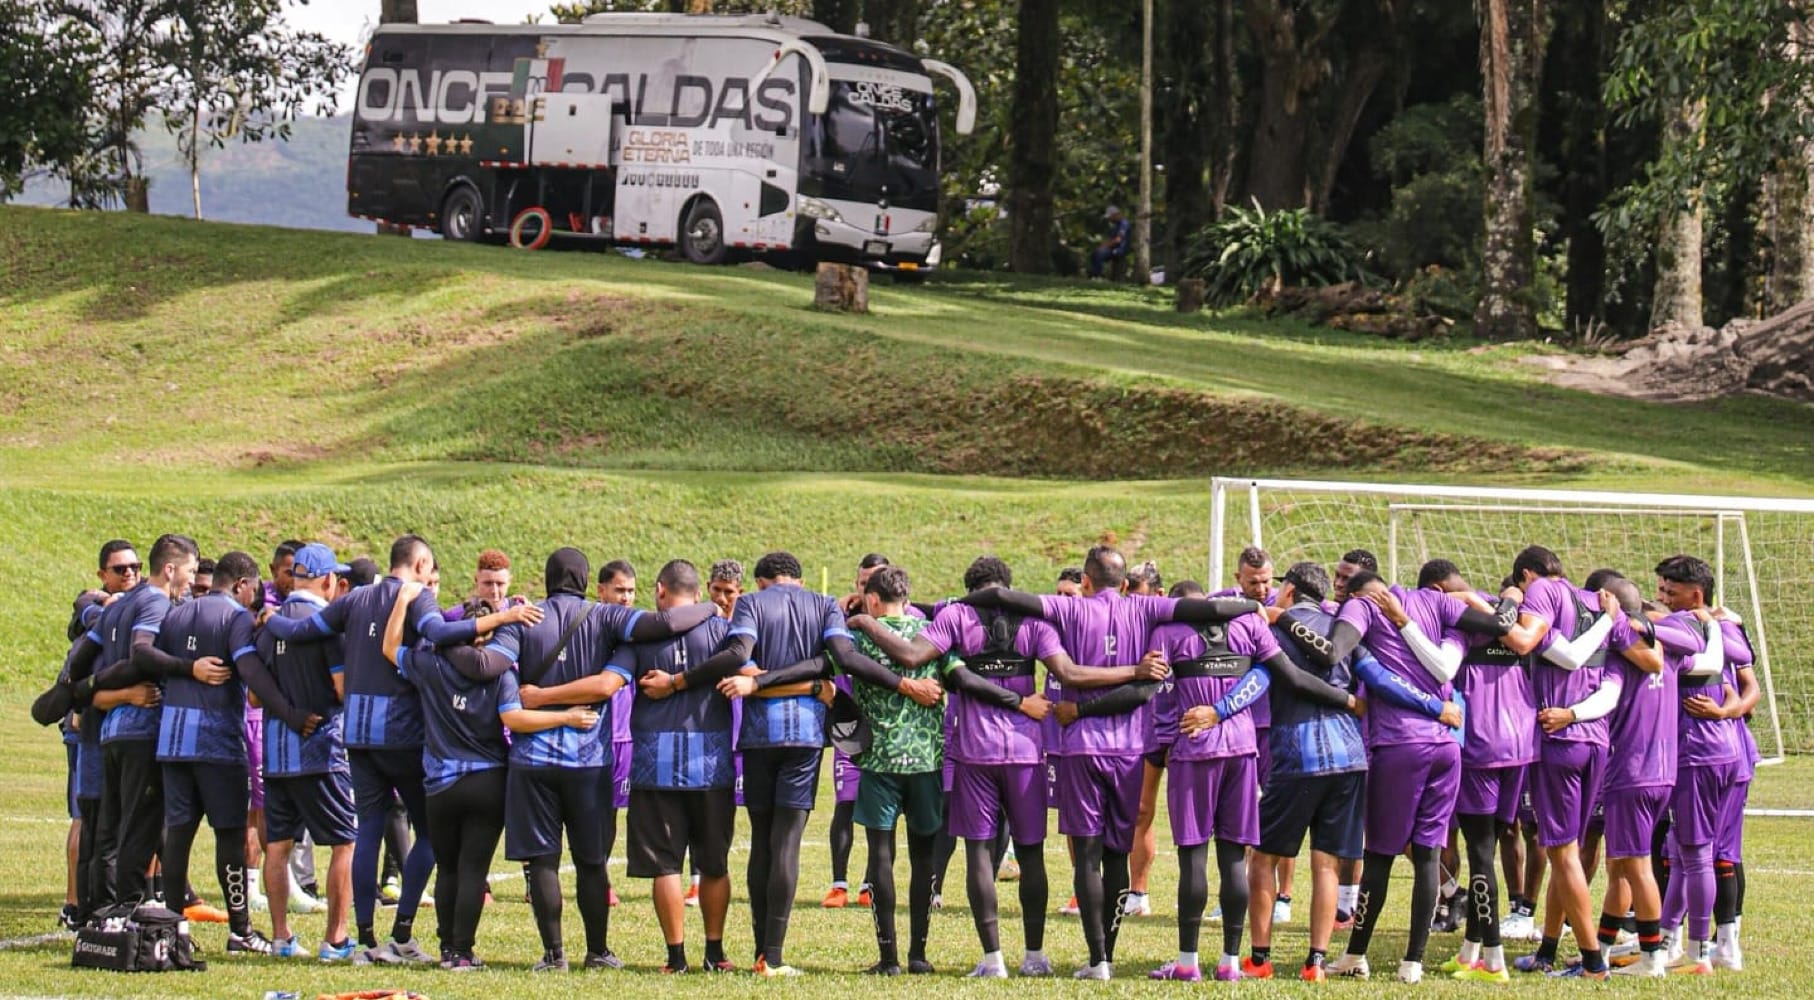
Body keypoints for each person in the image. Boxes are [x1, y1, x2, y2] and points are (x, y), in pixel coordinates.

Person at [957, 545, 1258, 980]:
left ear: (1085, 580)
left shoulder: (1069, 609)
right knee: (1119, 853)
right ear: (1123, 581)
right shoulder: (1148, 608)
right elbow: (1203, 606)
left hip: (1081, 747)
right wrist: (1256, 605)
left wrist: (956, 604)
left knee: (1089, 856)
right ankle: (1110, 955)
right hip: (1131, 750)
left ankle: (1097, 960)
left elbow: (1006, 599)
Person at [259, 534, 541, 963]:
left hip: (356, 731)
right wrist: (503, 618)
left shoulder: (356, 598)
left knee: (368, 827)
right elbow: (441, 632)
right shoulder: (417, 597)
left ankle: (365, 938)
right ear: (421, 563)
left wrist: (268, 616)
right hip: (402, 732)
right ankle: (402, 931)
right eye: (430, 569)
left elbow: (300, 631)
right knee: (428, 832)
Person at [496, 547, 716, 972]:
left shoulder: (524, 621)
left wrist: (537, 695)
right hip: (588, 761)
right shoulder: (606, 617)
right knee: (591, 860)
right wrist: (710, 604)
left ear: (547, 579)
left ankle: (553, 954)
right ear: (586, 582)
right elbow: (665, 622)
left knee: (543, 859)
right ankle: (597, 950)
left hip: (532, 761)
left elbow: (494, 666)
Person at [847, 556, 1068, 978]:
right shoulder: (1035, 622)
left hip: (973, 751)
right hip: (1024, 750)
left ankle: (992, 959)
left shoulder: (957, 617)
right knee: (1031, 854)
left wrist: (863, 623)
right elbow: (1064, 669)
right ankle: (1035, 956)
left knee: (978, 857)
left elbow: (921, 660)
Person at [679, 551, 893, 977]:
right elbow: (837, 660)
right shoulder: (824, 604)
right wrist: (816, 682)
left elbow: (740, 654)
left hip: (759, 738)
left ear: (760, 582)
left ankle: (762, 948)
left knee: (762, 841)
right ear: (799, 578)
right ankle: (772, 956)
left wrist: (758, 679)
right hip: (805, 739)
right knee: (787, 843)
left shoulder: (752, 604)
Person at [1273, 565, 1485, 982]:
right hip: (1447, 746)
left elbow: (1368, 672)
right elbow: (1494, 621)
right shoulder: (1438, 612)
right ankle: (1413, 963)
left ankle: (1356, 954)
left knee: (1380, 856)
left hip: (1401, 745)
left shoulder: (1365, 619)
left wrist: (1284, 619)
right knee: (1427, 855)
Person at [1148, 579, 1359, 983]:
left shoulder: (1166, 631)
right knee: (1232, 856)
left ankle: (1188, 962)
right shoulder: (1249, 624)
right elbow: (1270, 674)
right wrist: (1226, 709)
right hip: (1242, 750)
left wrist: (1170, 739)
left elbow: (1160, 694)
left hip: (1194, 750)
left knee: (1192, 855)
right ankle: (1230, 962)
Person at [382, 580, 586, 971]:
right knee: (474, 869)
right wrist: (567, 716)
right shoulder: (501, 674)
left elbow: (390, 649)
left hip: (440, 782)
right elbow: (513, 718)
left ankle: (445, 949)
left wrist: (403, 602)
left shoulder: (430, 664)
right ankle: (463, 952)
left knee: (449, 868)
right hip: (489, 780)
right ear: (489, 633)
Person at [153, 550, 312, 955]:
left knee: (178, 833)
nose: (253, 598)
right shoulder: (235, 617)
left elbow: (154, 662)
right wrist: (290, 711)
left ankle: (173, 927)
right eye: (253, 589)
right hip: (216, 742)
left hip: (172, 740)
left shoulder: (176, 613)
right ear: (242, 584)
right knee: (229, 833)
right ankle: (241, 930)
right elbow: (251, 671)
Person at [1496, 545, 1635, 979]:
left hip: (1559, 740)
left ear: (1527, 576)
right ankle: (1547, 950)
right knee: (1565, 851)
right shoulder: (1599, 605)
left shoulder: (1541, 595)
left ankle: (1593, 960)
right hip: (1596, 739)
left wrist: (1512, 611)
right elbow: (1621, 678)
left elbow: (1560, 652)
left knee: (1562, 850)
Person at [1241, 564, 1368, 982]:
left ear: (1290, 589)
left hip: (1299, 755)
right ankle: (1315, 962)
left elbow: (1281, 679)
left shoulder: (1275, 628)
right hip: (1349, 755)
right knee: (1327, 863)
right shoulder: (1343, 628)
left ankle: (1259, 959)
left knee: (1264, 857)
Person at [609, 560, 737, 973]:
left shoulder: (643, 636)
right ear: (699, 594)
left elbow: (613, 681)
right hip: (711, 760)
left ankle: (675, 957)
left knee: (665, 863)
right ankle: (715, 954)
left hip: (654, 760)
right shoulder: (721, 631)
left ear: (660, 589)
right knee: (714, 862)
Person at [837, 566, 952, 976]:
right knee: (924, 858)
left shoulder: (859, 635)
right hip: (926, 760)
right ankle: (919, 954)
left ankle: (889, 958)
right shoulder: (935, 632)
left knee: (881, 856)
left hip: (880, 760)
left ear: (870, 599)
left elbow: (841, 663)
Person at [1425, 565, 1532, 982]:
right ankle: (1471, 951)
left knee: (1480, 852)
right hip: (1521, 744)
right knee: (1493, 842)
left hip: (1481, 747)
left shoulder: (1453, 623)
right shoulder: (1506, 613)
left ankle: (1494, 958)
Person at [1651, 555, 1754, 974]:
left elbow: (1748, 681)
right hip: (1718, 751)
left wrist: (1726, 712)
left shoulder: (1706, 628)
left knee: (1706, 854)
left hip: (1707, 752)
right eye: (1659, 591)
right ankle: (1670, 939)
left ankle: (1705, 950)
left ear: (1695, 594)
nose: (1662, 599)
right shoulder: (1711, 626)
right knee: (1681, 849)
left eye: (1669, 593)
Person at [257, 543, 358, 960]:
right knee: (343, 843)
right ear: (329, 580)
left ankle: (281, 937)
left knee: (277, 847)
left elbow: (252, 695)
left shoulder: (270, 624)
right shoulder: (326, 625)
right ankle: (335, 938)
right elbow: (340, 689)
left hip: (277, 752)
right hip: (321, 751)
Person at [823, 554, 891, 910]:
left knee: (881, 811)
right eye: (862, 583)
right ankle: (838, 884)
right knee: (845, 804)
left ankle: (870, 884)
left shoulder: (898, 624)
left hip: (887, 732)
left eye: (874, 583)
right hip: (849, 727)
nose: (867, 590)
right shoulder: (842, 621)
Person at [595, 558, 639, 909]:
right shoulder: (589, 627)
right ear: (601, 591)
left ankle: (602, 879)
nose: (625, 597)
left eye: (630, 591)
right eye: (619, 590)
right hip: (589, 735)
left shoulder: (638, 632)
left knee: (610, 813)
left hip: (623, 739)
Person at [1089, 205, 1131, 279]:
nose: (1109, 219)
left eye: (1110, 217)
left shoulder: (1124, 224)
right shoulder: (1116, 225)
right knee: (1094, 254)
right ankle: (1094, 274)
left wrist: (1104, 246)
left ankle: (1098, 276)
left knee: (1099, 254)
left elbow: (1118, 240)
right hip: (1113, 248)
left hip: (1119, 249)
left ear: (1116, 214)